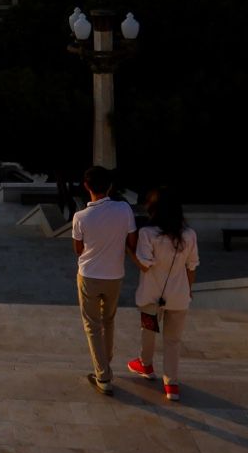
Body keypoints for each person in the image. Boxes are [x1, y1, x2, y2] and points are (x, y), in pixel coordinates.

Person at [128, 191, 201, 402]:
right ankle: (171, 384)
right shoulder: (189, 235)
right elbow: (192, 267)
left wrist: (128, 251)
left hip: (151, 296)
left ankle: (145, 364)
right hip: (179, 297)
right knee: (173, 341)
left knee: (148, 331)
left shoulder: (147, 234)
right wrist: (189, 289)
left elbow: (144, 265)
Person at [70, 165, 136, 395]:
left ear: (86, 186)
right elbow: (132, 241)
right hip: (115, 275)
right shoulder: (124, 209)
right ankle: (105, 364)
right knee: (108, 320)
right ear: (110, 186)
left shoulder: (80, 217)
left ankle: (103, 375)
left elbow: (78, 249)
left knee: (92, 325)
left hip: (89, 275)